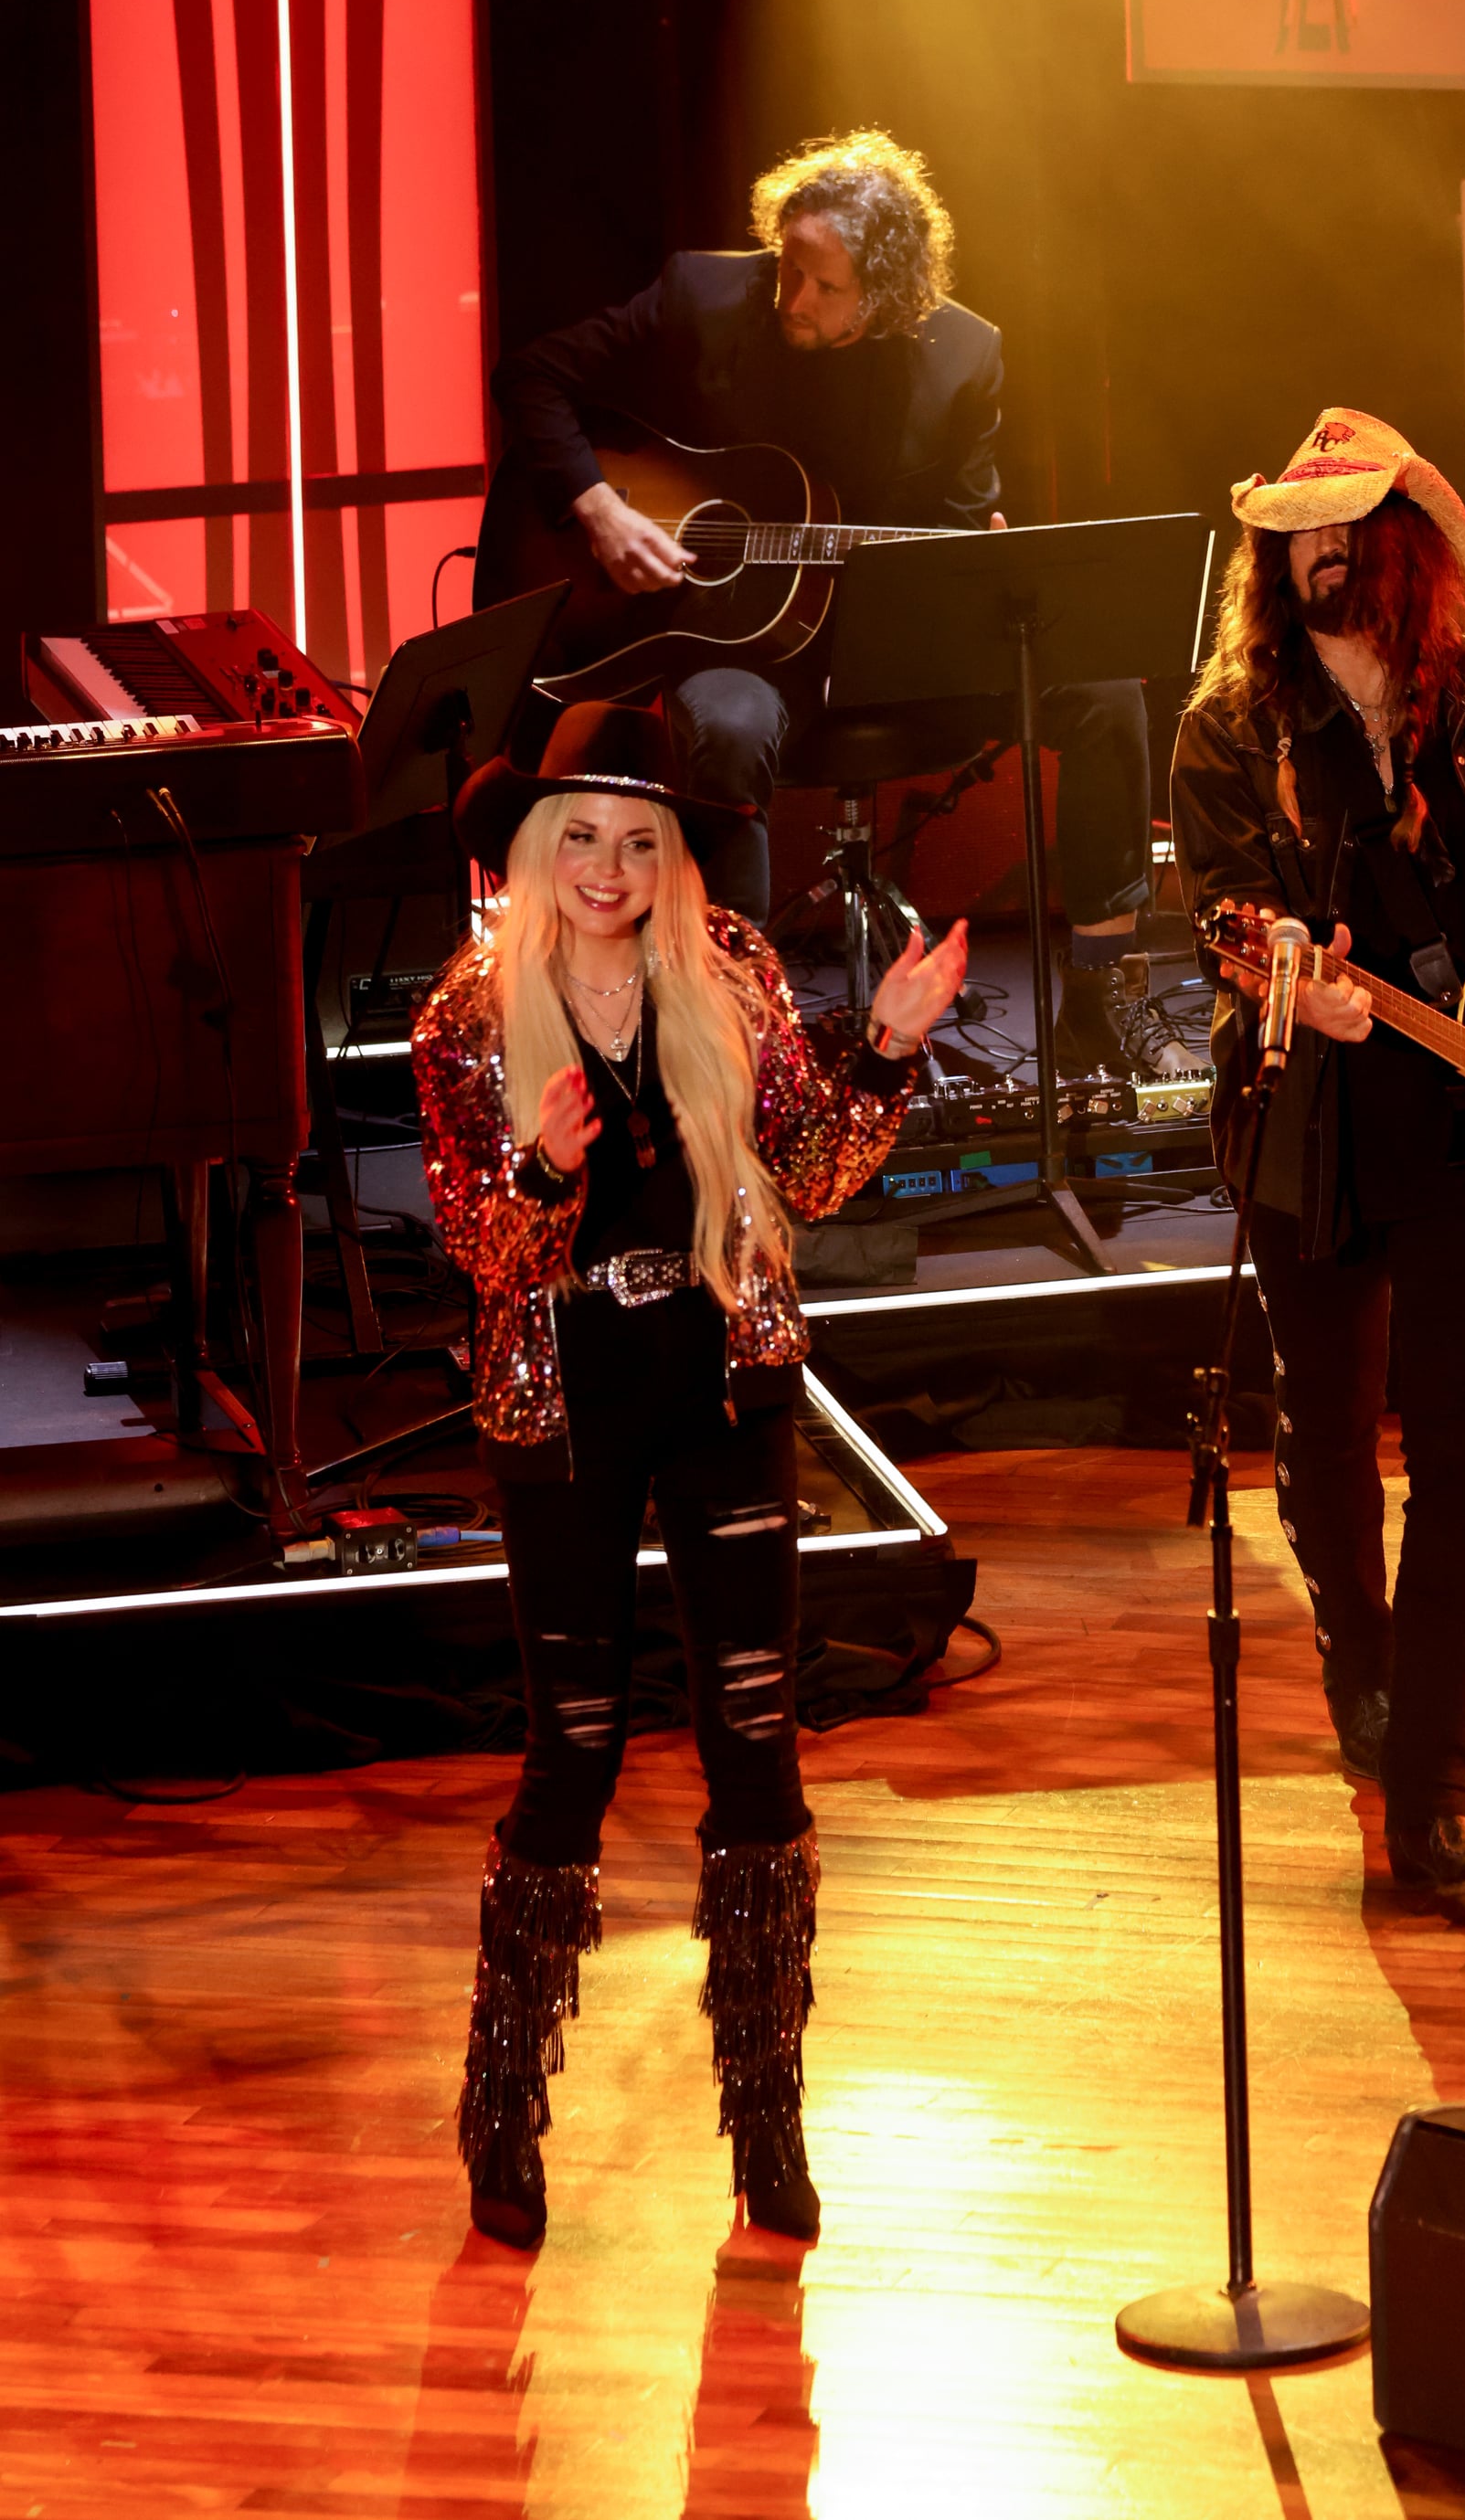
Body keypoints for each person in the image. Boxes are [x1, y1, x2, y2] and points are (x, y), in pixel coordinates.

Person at [411, 698, 967, 2251]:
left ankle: (767, 2122)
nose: (606, 866)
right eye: (579, 836)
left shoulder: (729, 977)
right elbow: (478, 1249)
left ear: (671, 857)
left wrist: (895, 1045)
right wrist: (541, 1163)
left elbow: (805, 1171)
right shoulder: (466, 1010)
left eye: (637, 839)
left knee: (756, 1746)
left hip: (720, 1373)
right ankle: (503, 2109)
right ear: (534, 847)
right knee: (571, 1755)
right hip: (564, 1399)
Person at [1170, 409, 1465, 1901]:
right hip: (1314, 1136)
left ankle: (1434, 1789)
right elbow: (1226, 922)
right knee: (1325, 1454)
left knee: (1464, 1458)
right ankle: (1354, 1660)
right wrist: (1280, 981)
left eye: (1346, 526)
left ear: (1405, 552)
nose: (1315, 552)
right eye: (1292, 533)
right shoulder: (1231, 728)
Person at [490, 125, 1196, 1078]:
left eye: (824, 288)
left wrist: (973, 558)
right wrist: (601, 507)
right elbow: (533, 376)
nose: (792, 298)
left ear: (889, 296)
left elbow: (956, 522)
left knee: (1103, 691)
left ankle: (1102, 997)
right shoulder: (705, 292)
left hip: (891, 644)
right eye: (788, 268)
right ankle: (741, 1027)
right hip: (738, 636)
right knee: (729, 726)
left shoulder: (958, 355)